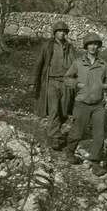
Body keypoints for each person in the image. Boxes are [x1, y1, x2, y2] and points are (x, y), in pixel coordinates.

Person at [63, 32, 107, 176]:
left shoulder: (104, 65)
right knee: (78, 131)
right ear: (86, 46)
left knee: (99, 134)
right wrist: (77, 84)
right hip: (82, 103)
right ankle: (70, 152)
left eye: (96, 44)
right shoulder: (78, 63)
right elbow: (67, 78)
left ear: (99, 47)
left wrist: (106, 86)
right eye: (90, 44)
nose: (93, 47)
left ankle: (95, 163)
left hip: (98, 104)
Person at [29, 21, 78, 150]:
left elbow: (76, 65)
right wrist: (33, 81)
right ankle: (54, 137)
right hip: (51, 81)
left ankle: (55, 130)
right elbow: (38, 64)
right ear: (55, 32)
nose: (62, 33)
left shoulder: (70, 47)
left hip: (66, 82)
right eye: (59, 31)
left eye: (64, 31)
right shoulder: (47, 46)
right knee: (54, 109)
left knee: (64, 110)